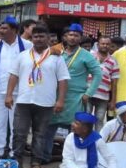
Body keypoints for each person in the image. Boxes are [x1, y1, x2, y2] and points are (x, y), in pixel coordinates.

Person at [6, 24, 69, 168]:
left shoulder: (57, 58)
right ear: (32, 38)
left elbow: (63, 80)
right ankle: (17, 161)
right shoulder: (23, 55)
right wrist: (8, 95)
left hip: (46, 102)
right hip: (24, 100)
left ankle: (35, 163)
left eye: (42, 36)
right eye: (36, 36)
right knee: (19, 132)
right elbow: (13, 75)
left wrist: (60, 100)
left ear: (48, 38)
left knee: (40, 134)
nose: (38, 39)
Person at [43, 23, 102, 161]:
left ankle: (72, 159)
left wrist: (88, 93)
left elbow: (98, 74)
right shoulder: (58, 52)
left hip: (76, 97)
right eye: (70, 35)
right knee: (49, 127)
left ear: (80, 38)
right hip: (55, 95)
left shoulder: (86, 55)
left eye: (76, 35)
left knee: (75, 129)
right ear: (65, 37)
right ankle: (45, 157)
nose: (73, 38)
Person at [0, 16, 32, 157]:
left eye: (4, 28)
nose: (0, 30)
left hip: (19, 91)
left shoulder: (26, 45)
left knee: (16, 124)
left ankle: (14, 152)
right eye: (0, 28)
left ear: (14, 30)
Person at [56, 112, 126, 168]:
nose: (72, 124)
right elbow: (67, 160)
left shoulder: (97, 139)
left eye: (76, 123)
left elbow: (110, 158)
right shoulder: (70, 137)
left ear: (84, 129)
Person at [89, 36, 119, 131]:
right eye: (103, 43)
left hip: (103, 96)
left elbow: (114, 82)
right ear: (98, 45)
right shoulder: (90, 55)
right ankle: (86, 138)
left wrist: (113, 100)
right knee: (86, 119)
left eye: (107, 44)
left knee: (99, 120)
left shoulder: (113, 61)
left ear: (110, 46)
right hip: (88, 94)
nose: (105, 46)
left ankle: (98, 139)